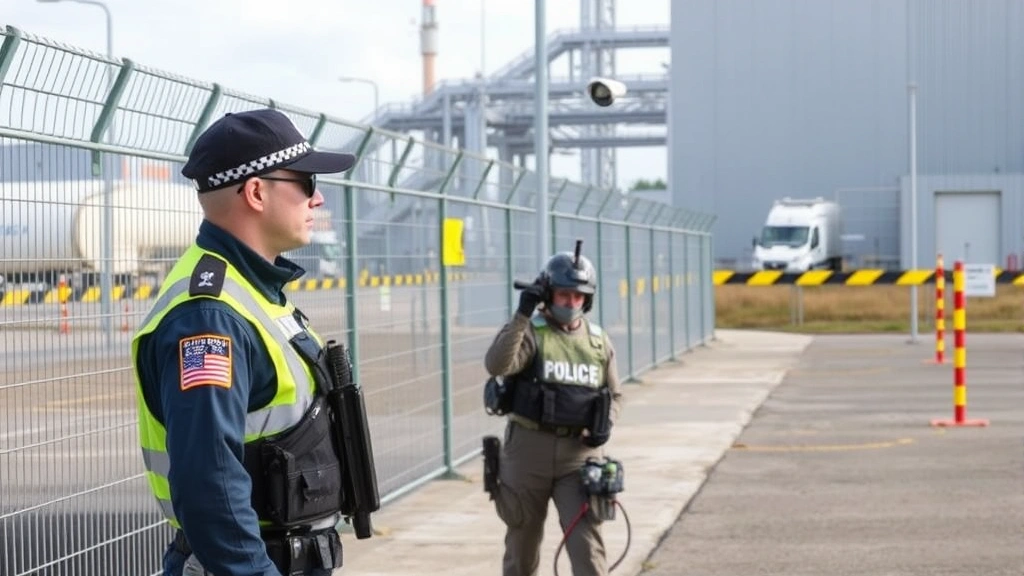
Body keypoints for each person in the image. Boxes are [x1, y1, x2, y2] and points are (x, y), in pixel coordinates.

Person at [131, 108, 356, 576]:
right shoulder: (208, 318)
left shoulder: (252, 292)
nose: (317, 199)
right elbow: (208, 482)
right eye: (307, 182)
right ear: (256, 192)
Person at [484, 248, 624, 576]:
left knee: (587, 548)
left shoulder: (598, 342)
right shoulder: (532, 332)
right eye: (564, 294)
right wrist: (521, 316)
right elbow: (497, 364)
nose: (571, 303)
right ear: (549, 294)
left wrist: (608, 422)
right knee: (522, 547)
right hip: (528, 451)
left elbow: (616, 394)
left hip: (579, 457)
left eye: (579, 296)